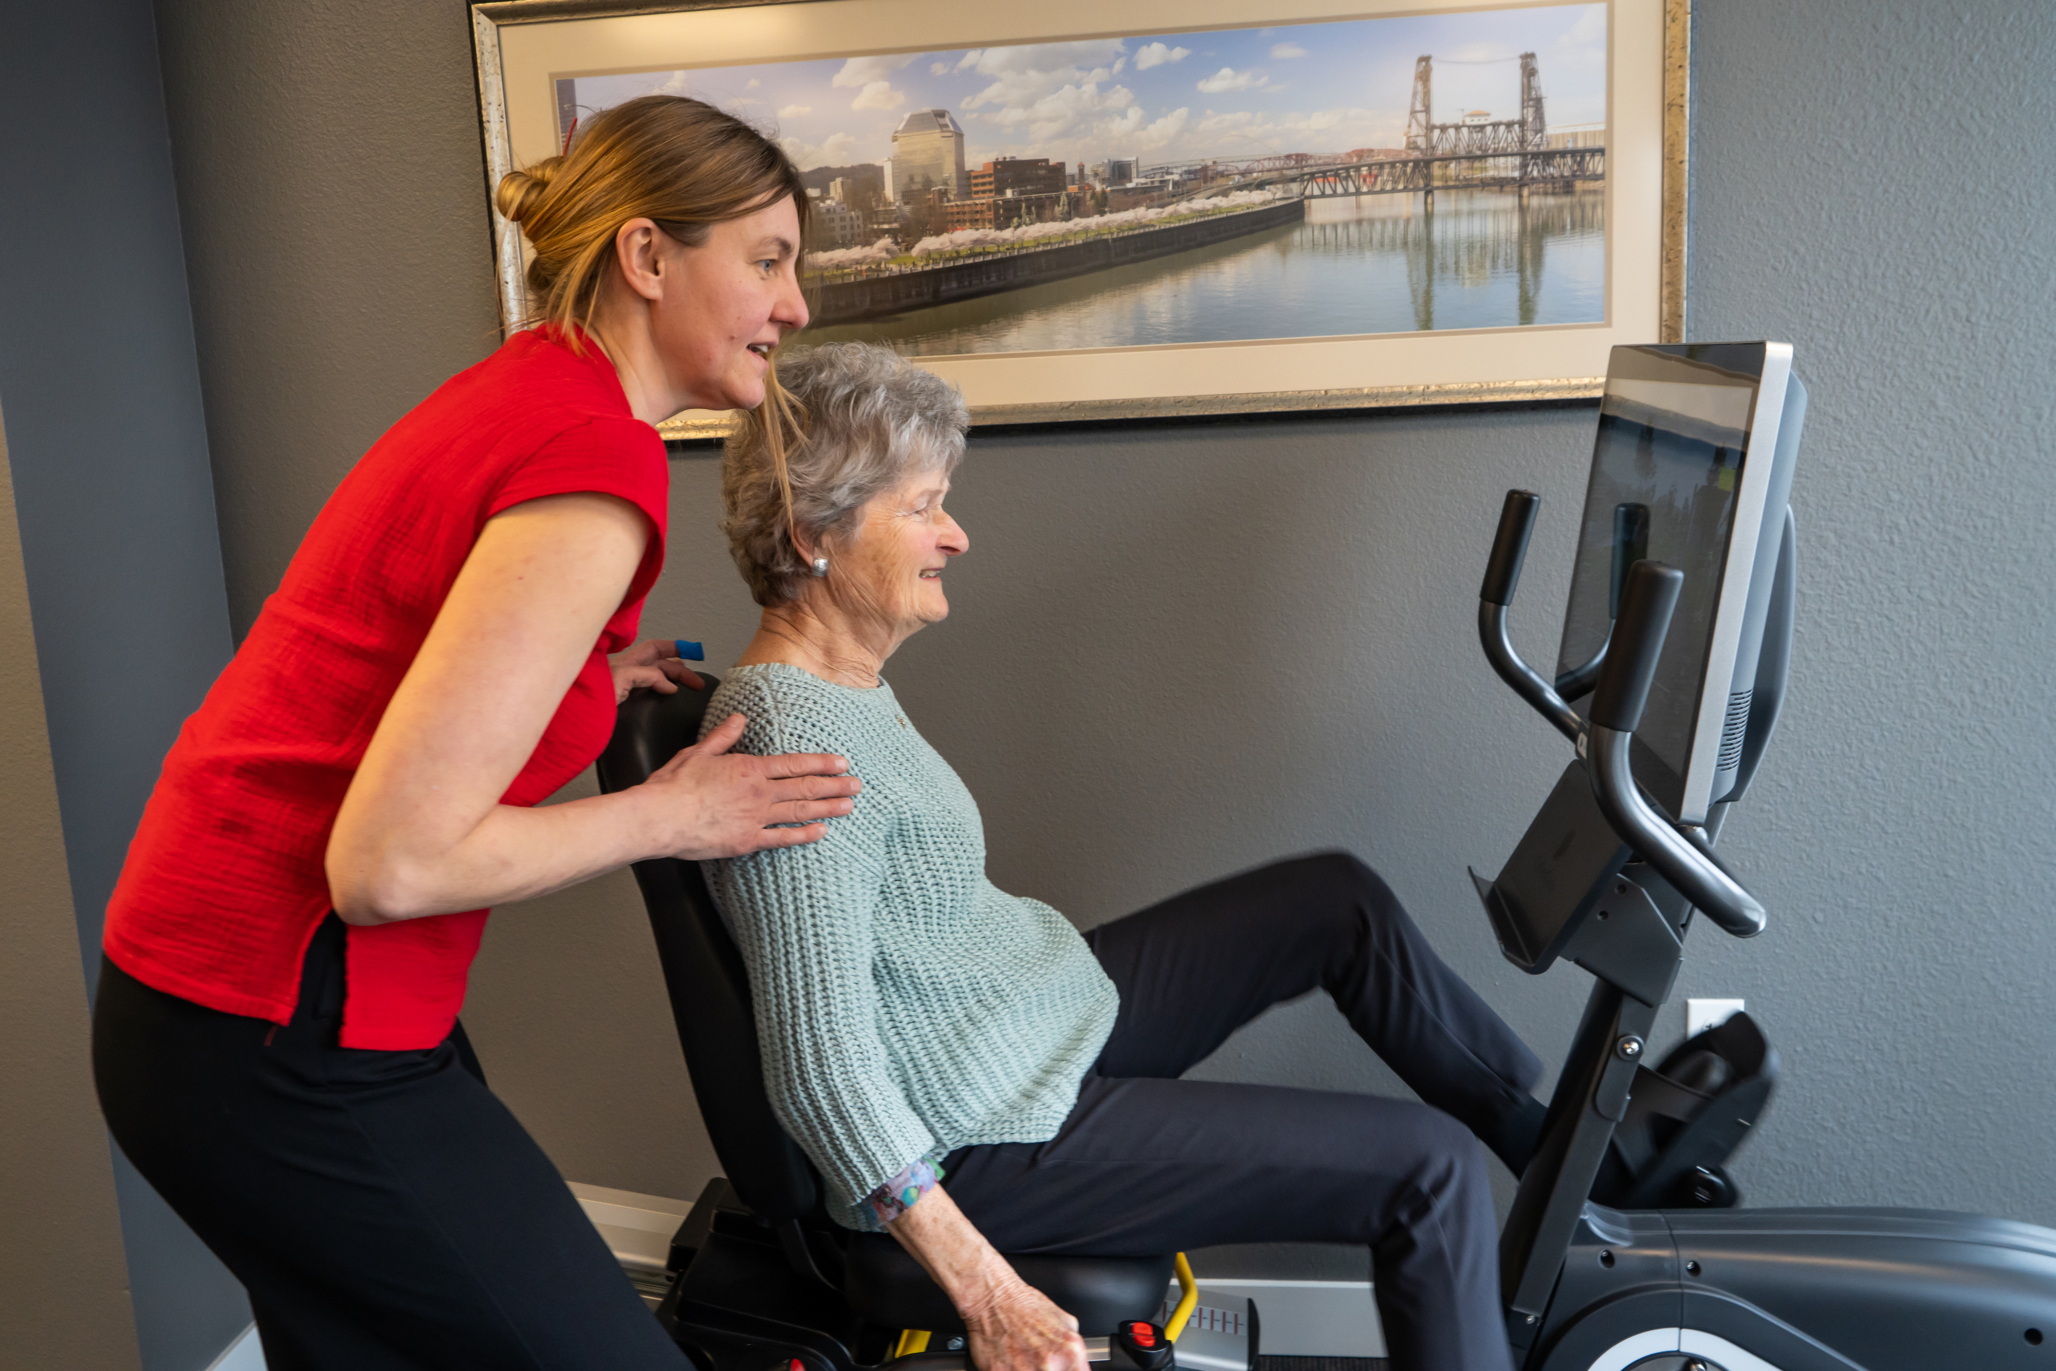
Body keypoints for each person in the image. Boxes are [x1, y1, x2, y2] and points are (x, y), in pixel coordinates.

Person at [90, 96, 863, 1371]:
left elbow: (399, 661)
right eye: (769, 260)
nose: (796, 305)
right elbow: (390, 866)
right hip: (274, 1029)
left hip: (205, 1002)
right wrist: (676, 813)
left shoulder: (529, 395)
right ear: (648, 255)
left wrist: (587, 682)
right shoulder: (591, 470)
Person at [701, 342, 1550, 1371]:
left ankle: (1562, 1159)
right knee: (1432, 1169)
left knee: (1336, 901)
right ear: (815, 537)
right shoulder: (792, 745)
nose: (956, 535)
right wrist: (987, 1292)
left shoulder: (841, 686)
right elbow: (822, 1069)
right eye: (924, 507)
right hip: (982, 1134)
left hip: (1026, 1016)